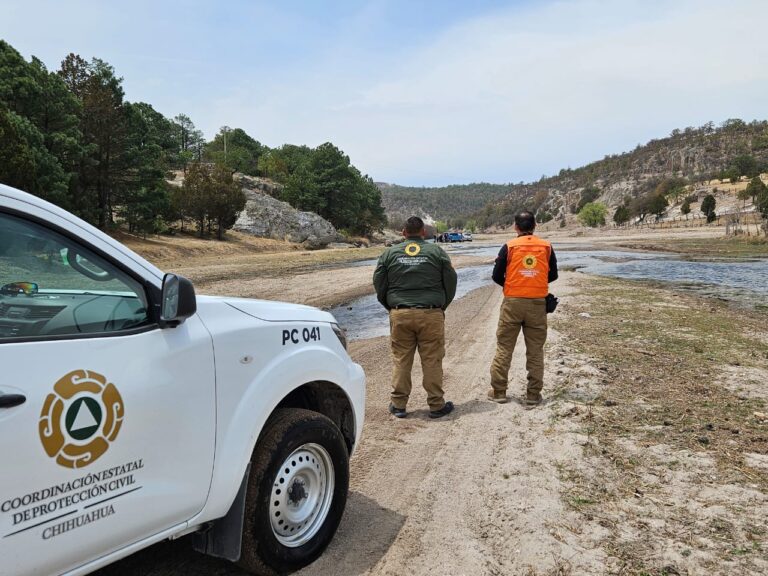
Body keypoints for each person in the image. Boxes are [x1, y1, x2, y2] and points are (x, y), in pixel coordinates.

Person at [373, 216, 458, 419]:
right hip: (431, 313)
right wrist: (441, 305)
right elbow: (451, 281)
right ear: (423, 232)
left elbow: (379, 283)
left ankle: (399, 404)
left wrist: (392, 306)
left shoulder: (389, 253)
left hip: (400, 312)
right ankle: (436, 405)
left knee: (401, 359)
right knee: (432, 360)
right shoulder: (437, 252)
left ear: (403, 232)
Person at [488, 210, 558, 406]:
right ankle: (533, 395)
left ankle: (499, 391)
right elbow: (553, 275)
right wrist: (534, 282)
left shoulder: (509, 247)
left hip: (513, 302)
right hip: (537, 303)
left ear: (515, 227)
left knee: (504, 347)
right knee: (535, 350)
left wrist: (514, 285)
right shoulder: (546, 246)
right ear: (535, 226)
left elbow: (496, 275)